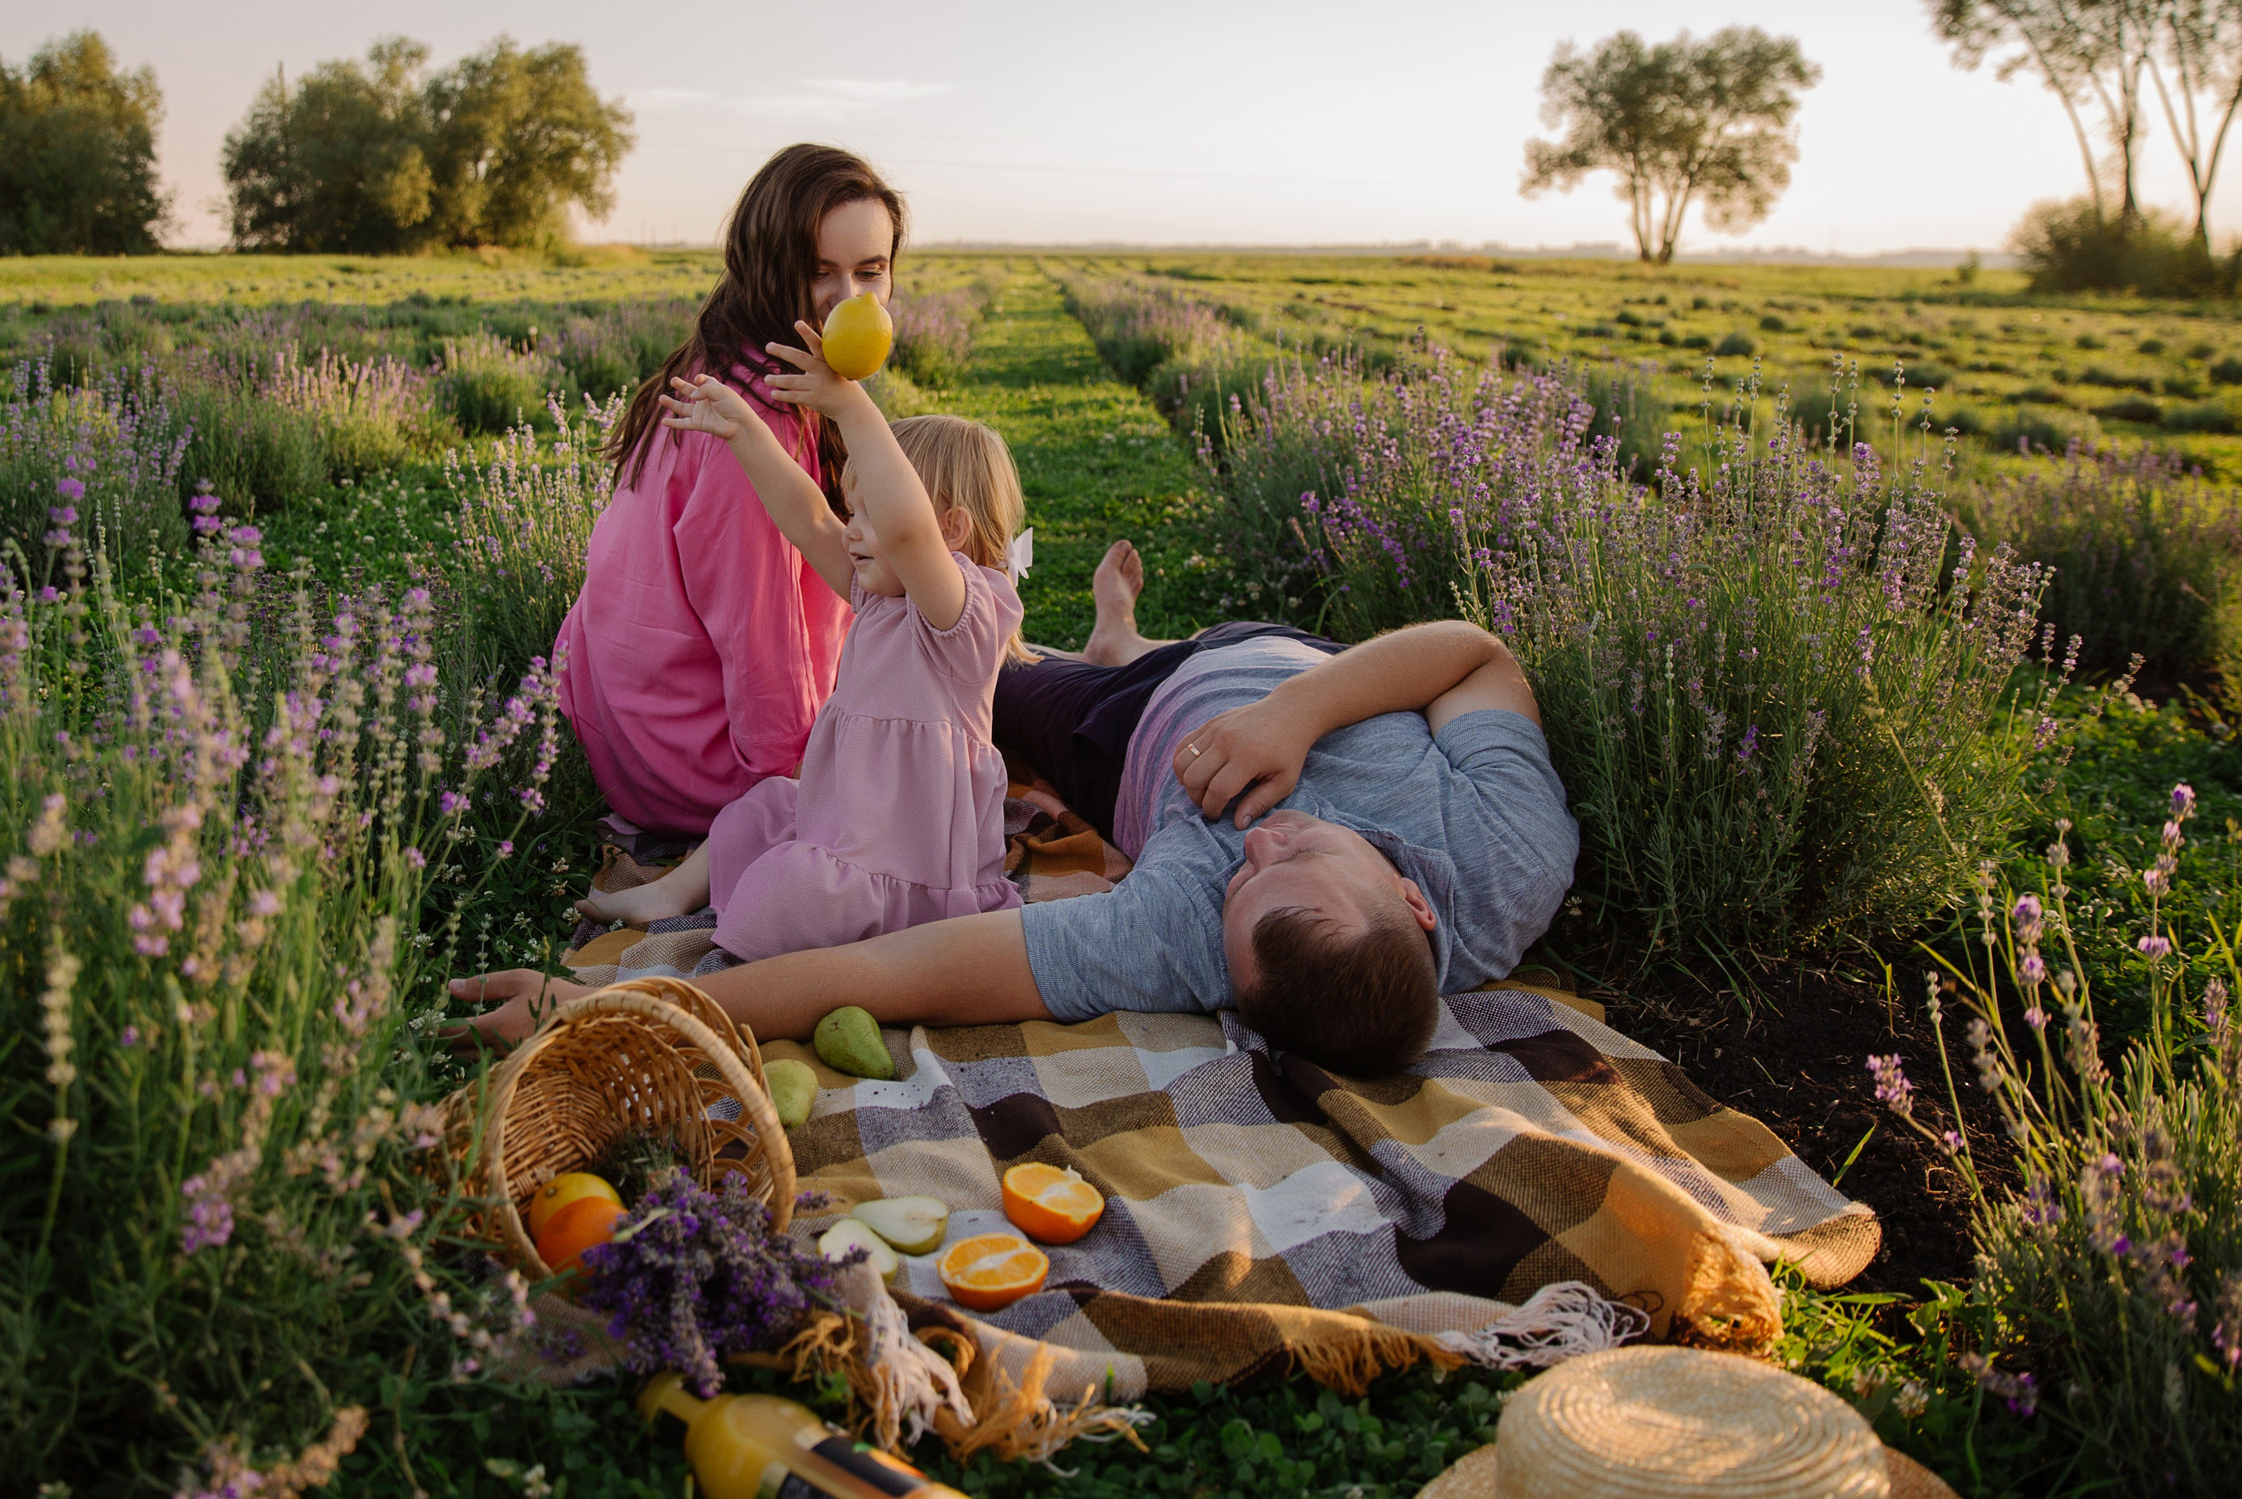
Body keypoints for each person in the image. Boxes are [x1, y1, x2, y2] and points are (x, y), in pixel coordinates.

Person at [456, 543, 1577, 1077]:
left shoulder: (1179, 930)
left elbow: (889, 974)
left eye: (1243, 877)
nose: (1255, 841)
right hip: (1303, 665)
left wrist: (606, 1009)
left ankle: (1106, 656)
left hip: (1126, 736)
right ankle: (1123, 639)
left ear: (1231, 978)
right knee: (1144, 660)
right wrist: (1297, 711)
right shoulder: (1506, 865)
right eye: (1298, 852)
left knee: (968, 673)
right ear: (1413, 906)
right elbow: (1475, 658)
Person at [574, 338, 1028, 957]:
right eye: (855, 506)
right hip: (845, 832)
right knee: (761, 810)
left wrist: (852, 407)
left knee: (791, 889)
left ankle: (758, 955)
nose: (855, 529)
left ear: (949, 531)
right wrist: (744, 432)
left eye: (871, 513)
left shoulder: (961, 619)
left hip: (910, 878)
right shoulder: (881, 596)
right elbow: (810, 518)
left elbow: (907, 530)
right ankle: (672, 892)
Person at [553, 144, 904, 837]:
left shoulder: (738, 365)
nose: (851, 302)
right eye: (820, 274)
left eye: (872, 272)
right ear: (770, 270)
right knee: (955, 695)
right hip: (695, 758)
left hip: (623, 715)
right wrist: (799, 793)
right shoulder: (753, 423)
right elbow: (763, 646)